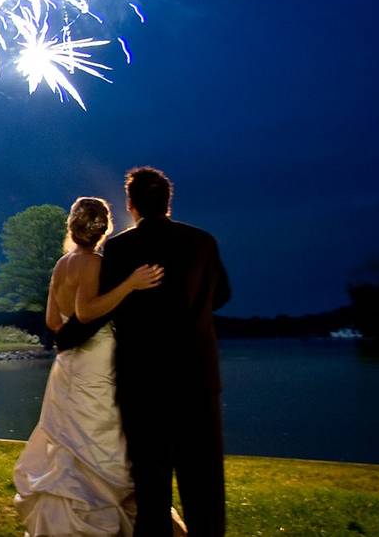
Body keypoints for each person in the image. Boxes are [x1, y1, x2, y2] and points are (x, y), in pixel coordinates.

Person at [14, 196, 165, 536]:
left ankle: (67, 518)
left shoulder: (61, 264)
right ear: (104, 228)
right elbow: (85, 312)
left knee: (70, 443)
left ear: (73, 226)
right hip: (96, 359)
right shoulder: (94, 263)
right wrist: (130, 285)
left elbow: (54, 320)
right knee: (100, 435)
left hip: (66, 365)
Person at [92, 168, 231, 537]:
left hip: (143, 380)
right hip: (197, 377)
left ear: (130, 205)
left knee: (151, 484)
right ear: (169, 202)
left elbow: (108, 303)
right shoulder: (203, 242)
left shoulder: (119, 247)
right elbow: (222, 295)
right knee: (204, 482)